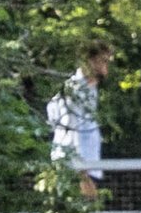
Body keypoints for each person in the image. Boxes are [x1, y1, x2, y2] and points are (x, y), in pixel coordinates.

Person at [44, 41, 113, 195]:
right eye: (103, 61)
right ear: (91, 61)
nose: (105, 67)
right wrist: (80, 167)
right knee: (86, 202)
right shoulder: (75, 89)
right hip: (77, 160)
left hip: (86, 158)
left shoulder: (90, 88)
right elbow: (67, 124)